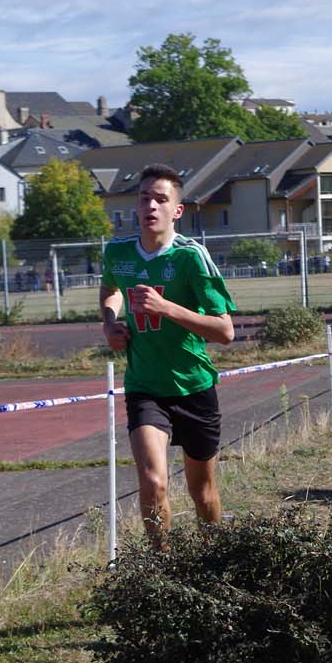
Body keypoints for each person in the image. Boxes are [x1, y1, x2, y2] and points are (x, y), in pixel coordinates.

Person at [99, 164, 237, 546]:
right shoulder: (118, 253)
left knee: (203, 494)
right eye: (145, 198)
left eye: (161, 199)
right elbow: (110, 289)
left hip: (194, 386)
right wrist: (110, 323)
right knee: (154, 482)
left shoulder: (192, 257)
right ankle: (161, 574)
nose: (151, 206)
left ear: (177, 210)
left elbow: (225, 331)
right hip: (145, 387)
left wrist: (167, 309)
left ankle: (213, 559)